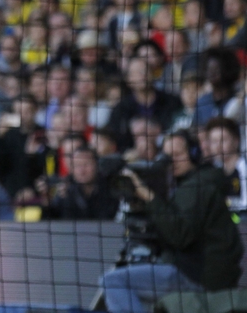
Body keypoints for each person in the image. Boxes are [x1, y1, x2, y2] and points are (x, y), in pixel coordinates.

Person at [100, 130, 244, 313]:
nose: (172, 161)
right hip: (197, 270)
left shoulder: (197, 185)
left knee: (113, 282)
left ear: (193, 154)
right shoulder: (183, 183)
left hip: (198, 275)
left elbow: (179, 235)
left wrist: (147, 195)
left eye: (178, 155)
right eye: (168, 156)